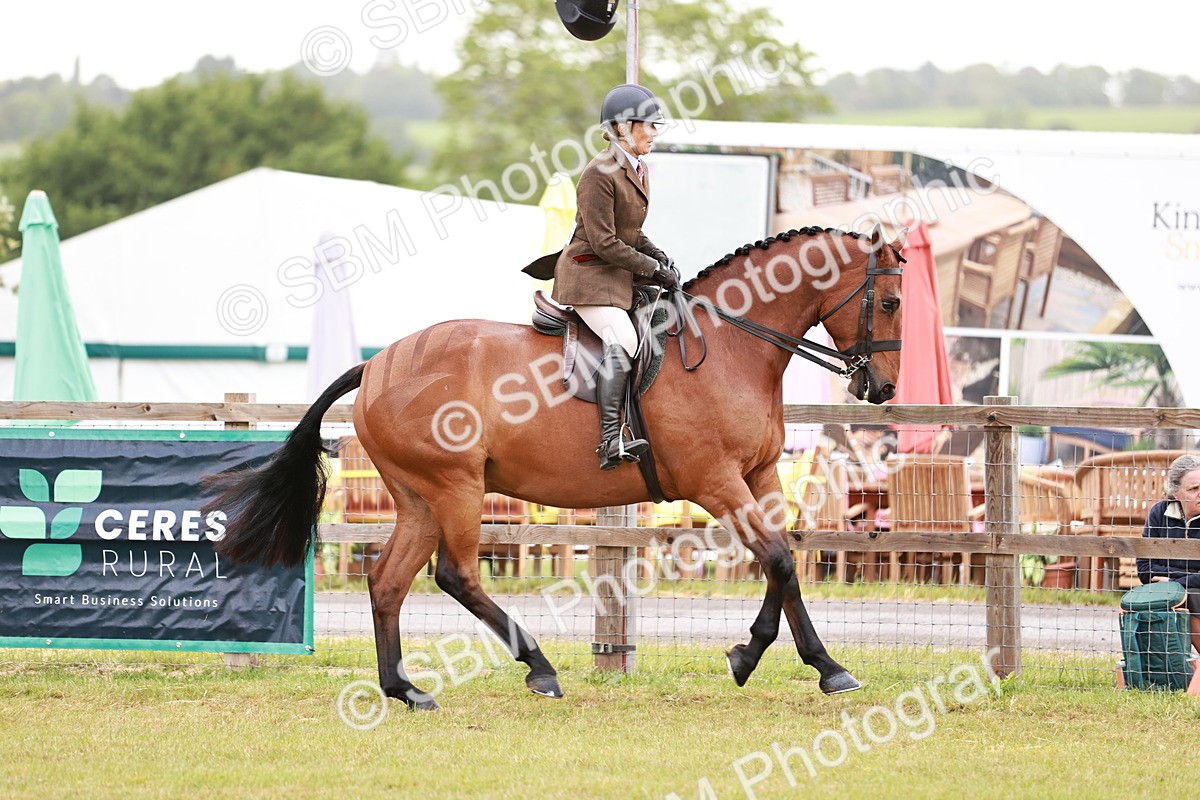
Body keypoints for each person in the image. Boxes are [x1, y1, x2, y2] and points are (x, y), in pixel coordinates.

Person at [552, 83, 680, 471]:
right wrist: (652, 269)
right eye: (649, 126)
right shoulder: (599, 172)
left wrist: (659, 255)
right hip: (589, 276)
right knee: (623, 337)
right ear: (624, 128)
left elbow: (629, 232)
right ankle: (609, 440)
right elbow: (605, 242)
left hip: (615, 276)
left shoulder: (635, 169)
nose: (655, 134)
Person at [1136, 452, 1200, 655]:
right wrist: (1188, 580)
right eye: (1194, 489)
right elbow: (1145, 570)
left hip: (1186, 593)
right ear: (1175, 493)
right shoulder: (1158, 514)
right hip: (1172, 591)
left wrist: (1174, 583)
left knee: (1190, 598)